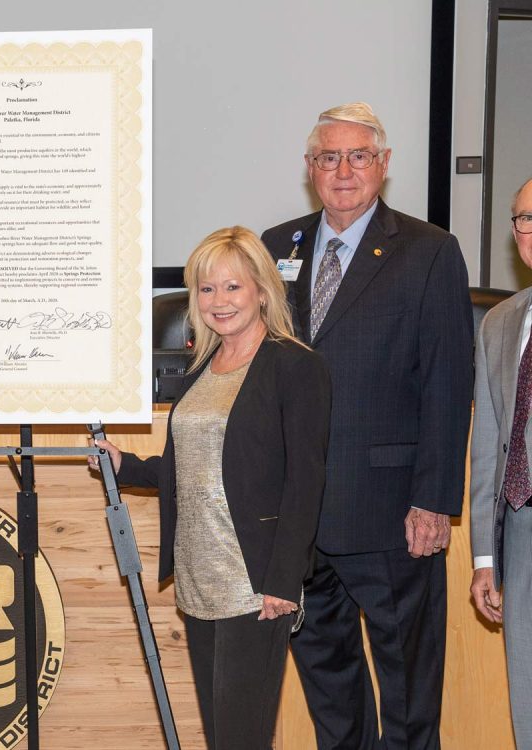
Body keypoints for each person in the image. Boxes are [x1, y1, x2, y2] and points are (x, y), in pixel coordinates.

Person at [262, 102, 473, 749]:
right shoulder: (275, 247)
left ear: (382, 165)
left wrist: (433, 501)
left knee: (407, 701)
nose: (343, 170)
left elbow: (447, 381)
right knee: (331, 696)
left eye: (358, 156)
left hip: (391, 518)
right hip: (299, 523)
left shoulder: (429, 251)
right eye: (329, 157)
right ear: (309, 168)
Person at [92, 226, 330, 749]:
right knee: (221, 735)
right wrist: (126, 463)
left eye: (232, 287)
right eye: (206, 289)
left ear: (262, 290)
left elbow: (305, 483)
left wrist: (283, 583)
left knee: (241, 739)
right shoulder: (204, 366)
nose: (218, 301)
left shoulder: (295, 366)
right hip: (199, 578)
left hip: (255, 582)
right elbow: (194, 467)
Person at [470, 177, 532, 749]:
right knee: (527, 697)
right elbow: (489, 445)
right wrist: (486, 558)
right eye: (524, 219)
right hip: (520, 535)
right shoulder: (498, 323)